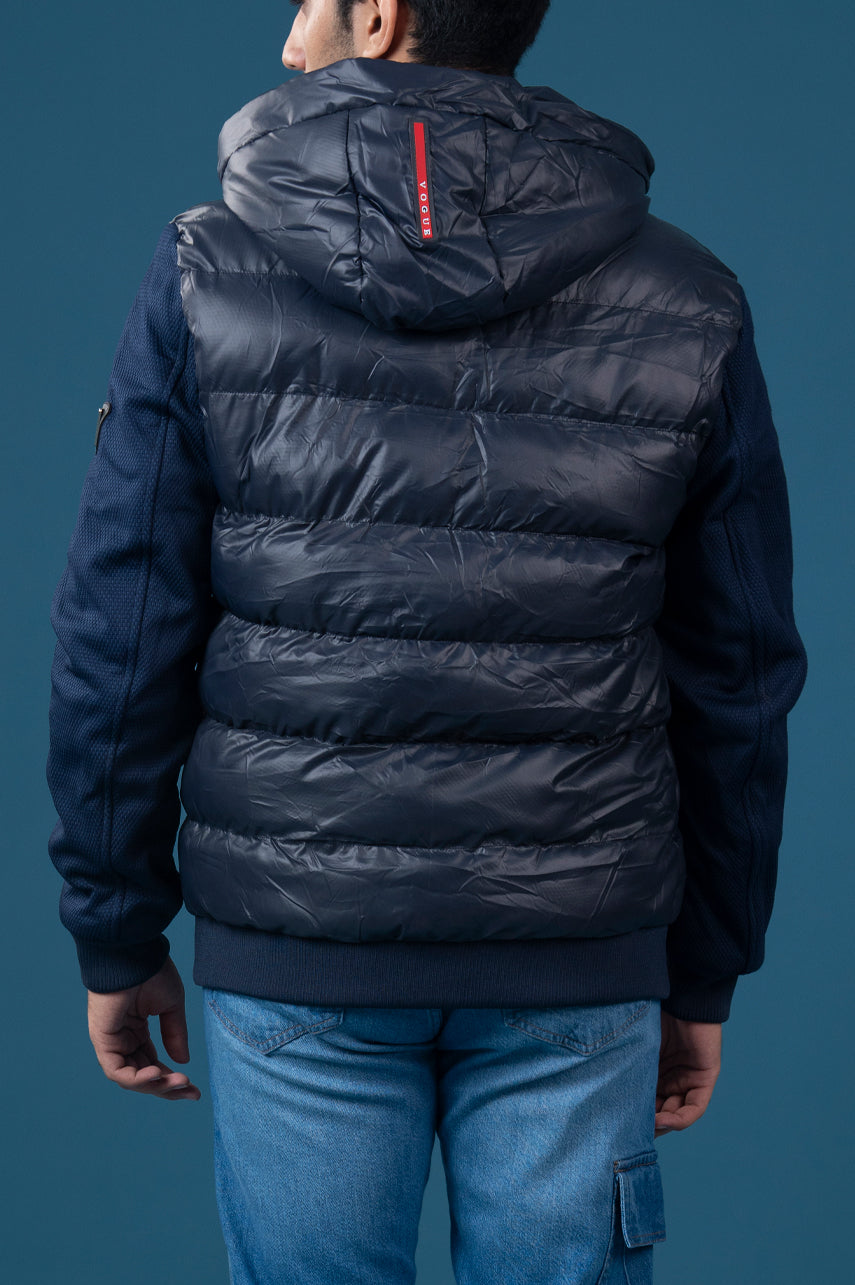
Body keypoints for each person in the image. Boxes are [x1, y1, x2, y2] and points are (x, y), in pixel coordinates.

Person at [45, 1, 808, 1281]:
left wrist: (116, 926)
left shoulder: (202, 273)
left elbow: (118, 638)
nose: (289, 31)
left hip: (300, 944)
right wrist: (705, 966)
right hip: (579, 950)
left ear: (381, 13)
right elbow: (739, 671)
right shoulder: (690, 296)